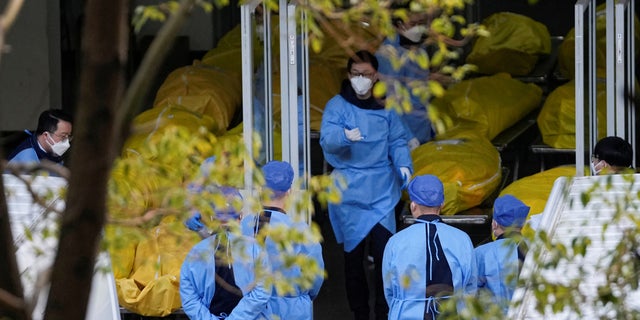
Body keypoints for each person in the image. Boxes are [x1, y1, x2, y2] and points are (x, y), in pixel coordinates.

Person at [319, 50, 413, 320]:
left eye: (367, 75)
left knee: (386, 260)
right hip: (350, 192)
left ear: (376, 76)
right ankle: (359, 313)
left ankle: (384, 312)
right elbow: (327, 138)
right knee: (353, 261)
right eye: (356, 74)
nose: (361, 80)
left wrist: (403, 163)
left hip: (382, 190)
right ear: (349, 76)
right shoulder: (337, 106)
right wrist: (343, 135)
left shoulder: (387, 107)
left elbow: (397, 140)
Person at [382, 174, 477, 319]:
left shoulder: (395, 242)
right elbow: (470, 287)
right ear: (442, 204)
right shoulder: (462, 239)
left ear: (413, 205)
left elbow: (390, 291)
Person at [240, 160, 324, 320]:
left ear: (259, 190)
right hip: (292, 311)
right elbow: (314, 279)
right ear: (290, 192)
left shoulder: (244, 226)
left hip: (250, 310)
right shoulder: (303, 232)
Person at [180, 186, 272, 320]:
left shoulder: (195, 252)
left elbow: (189, 299)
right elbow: (262, 291)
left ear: (212, 217)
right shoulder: (255, 249)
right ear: (240, 216)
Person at [375, 7, 433, 149]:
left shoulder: (418, 49)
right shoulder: (388, 55)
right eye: (413, 24)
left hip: (422, 131)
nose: (418, 28)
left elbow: (422, 94)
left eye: (422, 23)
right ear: (399, 25)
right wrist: (408, 137)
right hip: (403, 137)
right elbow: (390, 102)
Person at [474, 194, 530, 315]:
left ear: (494, 223)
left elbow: (470, 290)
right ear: (522, 224)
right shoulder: (536, 247)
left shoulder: (482, 252)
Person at [7, 109, 73, 165]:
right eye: (63, 136)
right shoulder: (26, 157)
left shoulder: (54, 152)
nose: (67, 143)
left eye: (69, 136)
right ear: (46, 135)